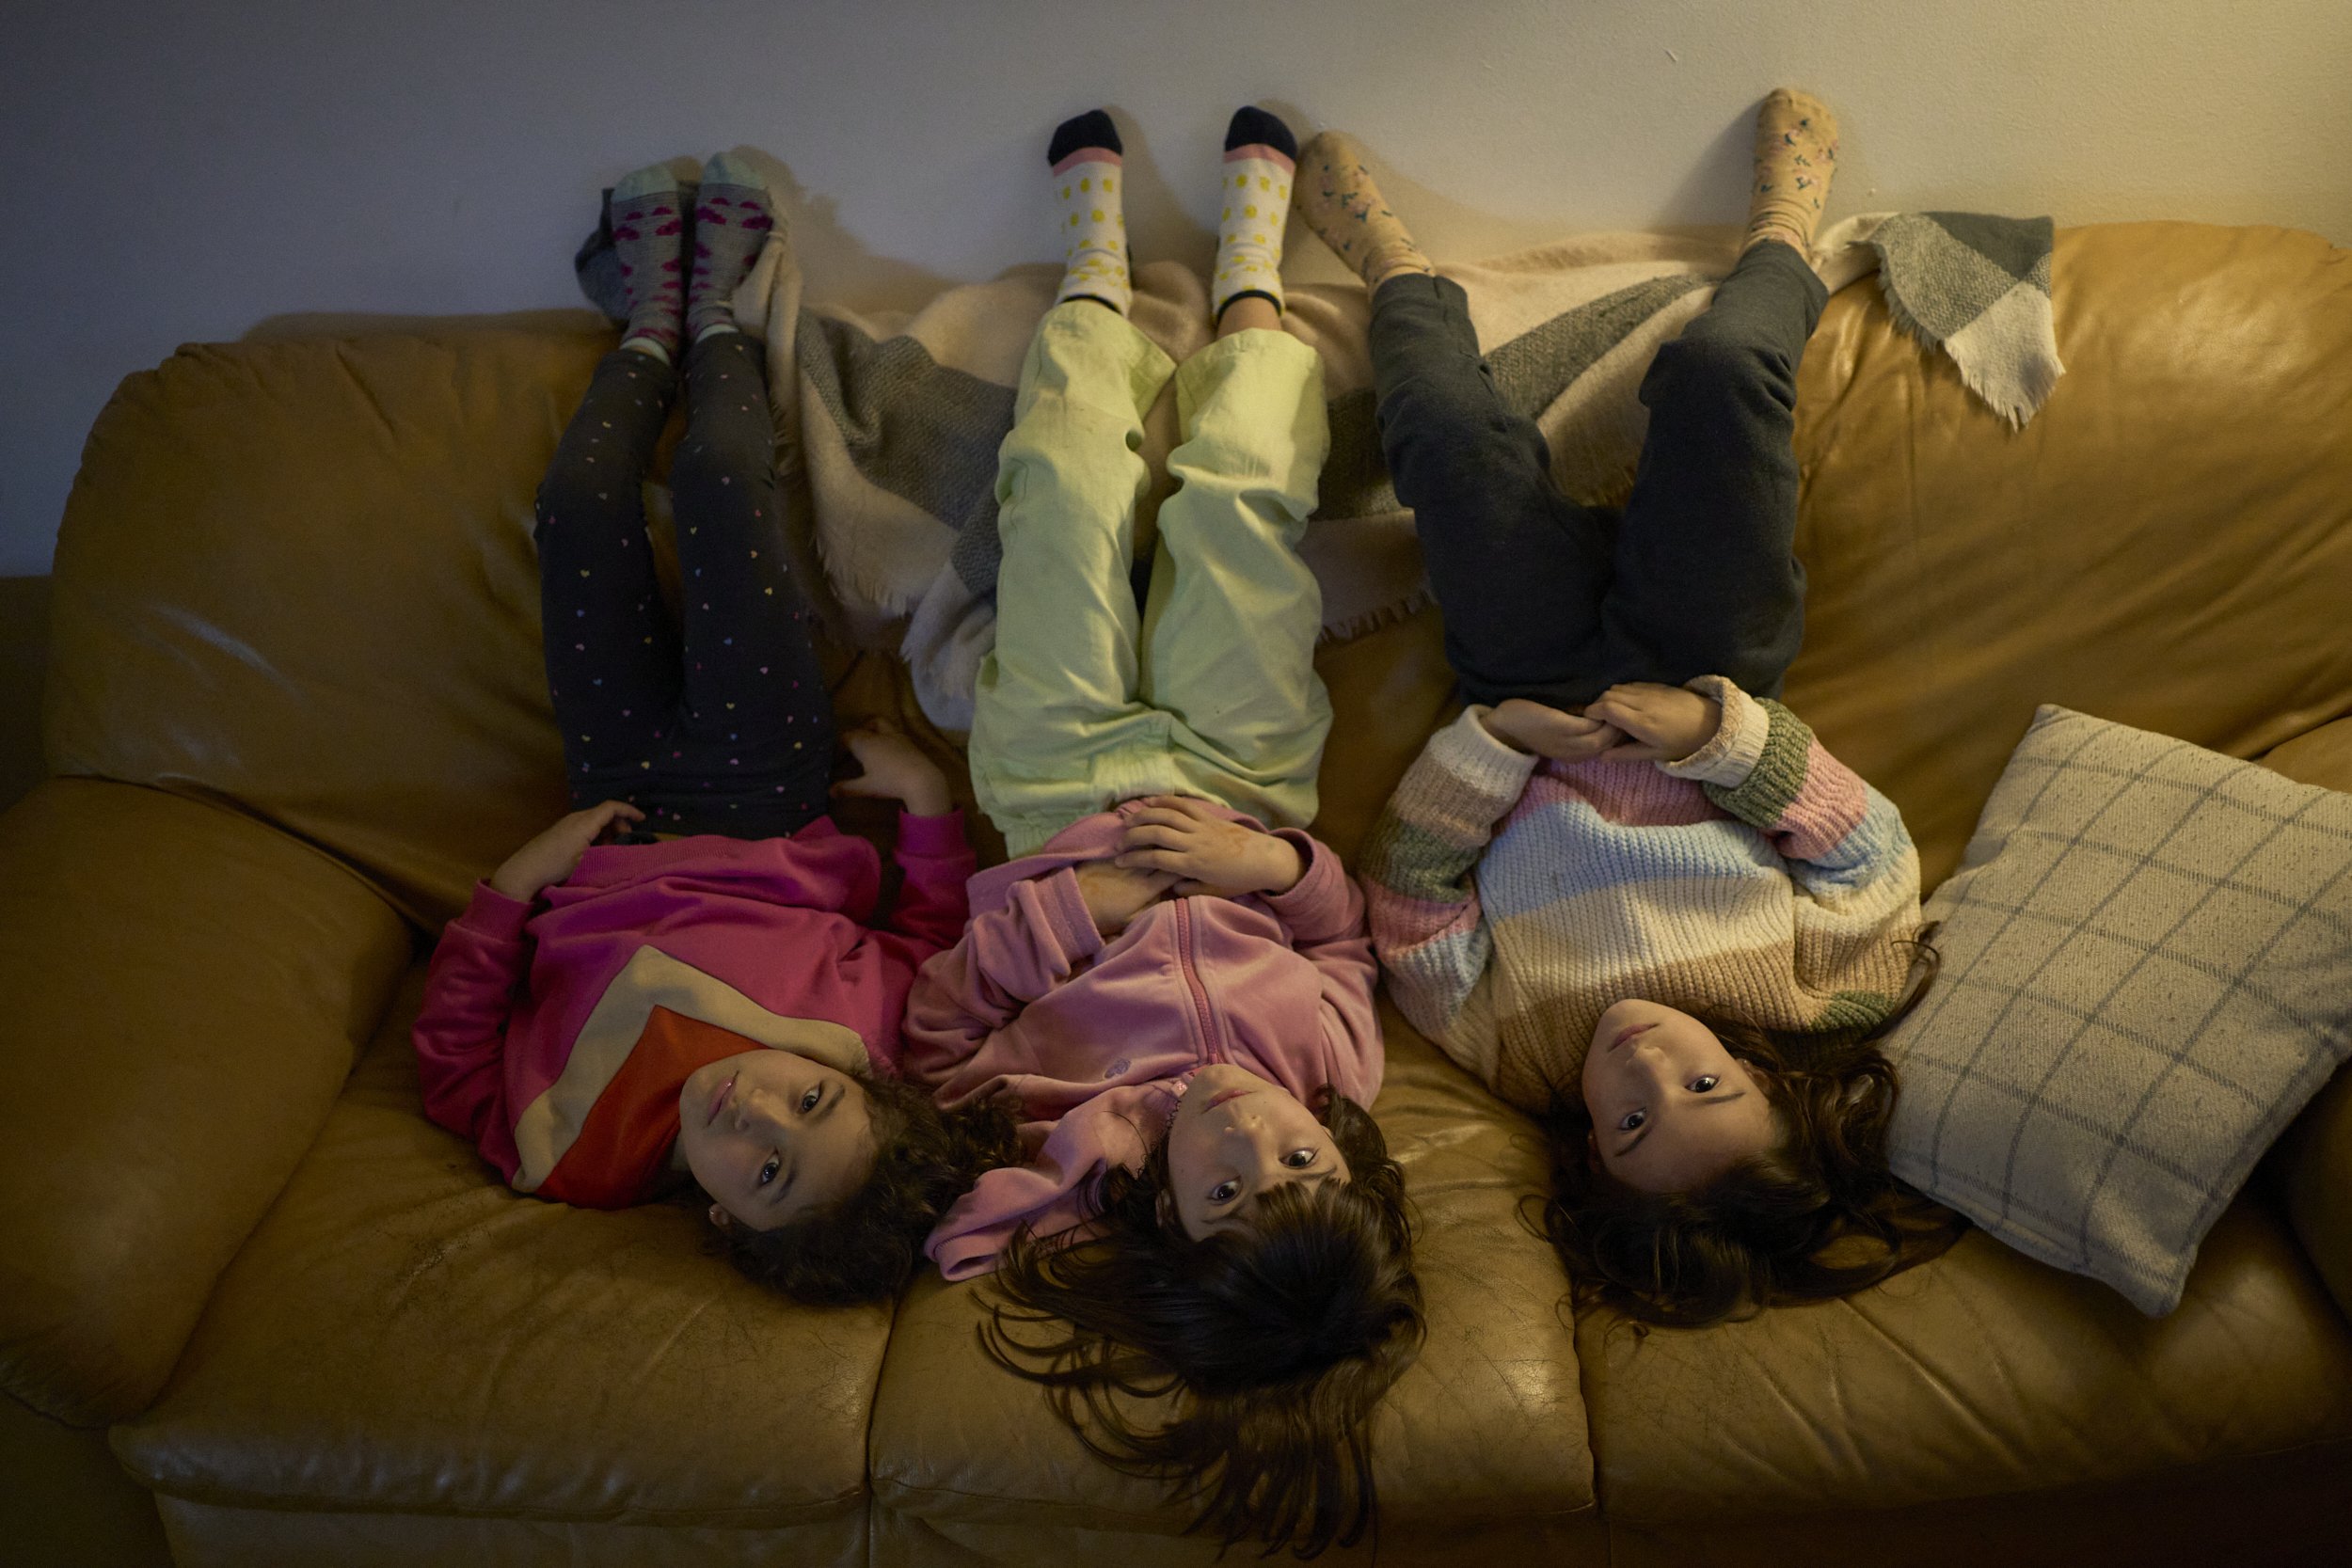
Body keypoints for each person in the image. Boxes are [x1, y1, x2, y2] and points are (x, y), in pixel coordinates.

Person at [1320, 91, 1962, 1328]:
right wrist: (1719, 738)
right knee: (1723, 376)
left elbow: (1408, 907)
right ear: (1771, 1080)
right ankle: (1784, 233)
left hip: (1530, 693)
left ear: (1589, 1152)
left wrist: (1494, 745)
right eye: (1704, 1084)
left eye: (1627, 1122)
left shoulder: (1517, 1054)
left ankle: (1393, 270)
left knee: (1447, 437)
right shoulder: (1825, 1000)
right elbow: (1866, 848)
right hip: (1709, 670)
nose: (1643, 1066)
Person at [899, 108, 1421, 1558]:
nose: (1252, 1134)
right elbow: (1345, 941)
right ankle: (1252, 284)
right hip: (1242, 780)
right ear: (1345, 1159)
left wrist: (1092, 910)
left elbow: (936, 1035)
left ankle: (1094, 281)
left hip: (1056, 784)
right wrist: (1273, 867)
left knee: (1065, 497)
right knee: (1235, 511)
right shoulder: (1334, 1068)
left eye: (1227, 1188)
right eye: (1299, 1165)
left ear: (1170, 1215)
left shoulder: (1058, 1134)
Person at [413, 154, 1018, 1305]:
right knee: (724, 480)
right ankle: (709, 321)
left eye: (768, 1172)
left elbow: (450, 1050)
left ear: (731, 1224)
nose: (758, 1111)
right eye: (812, 1102)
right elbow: (930, 936)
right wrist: (929, 807)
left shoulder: (564, 1153)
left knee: (578, 506)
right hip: (762, 787)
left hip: (611, 801)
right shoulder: (876, 1043)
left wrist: (519, 882)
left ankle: (645, 331)